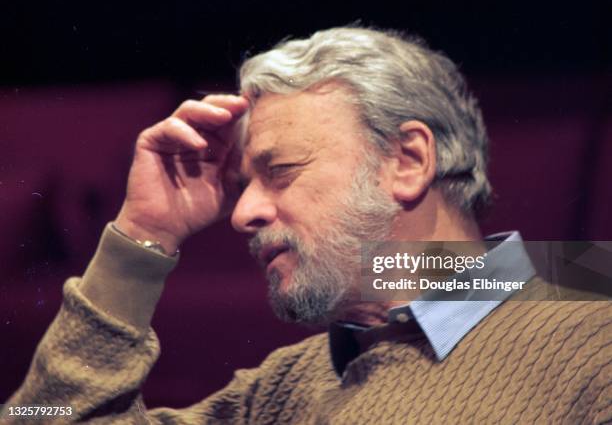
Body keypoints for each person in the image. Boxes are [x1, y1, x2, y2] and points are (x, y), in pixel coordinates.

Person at [3, 27, 610, 424]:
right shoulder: (287, 385)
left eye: (282, 170)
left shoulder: (593, 332)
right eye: (244, 184)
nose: (242, 214)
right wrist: (141, 237)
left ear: (407, 162)